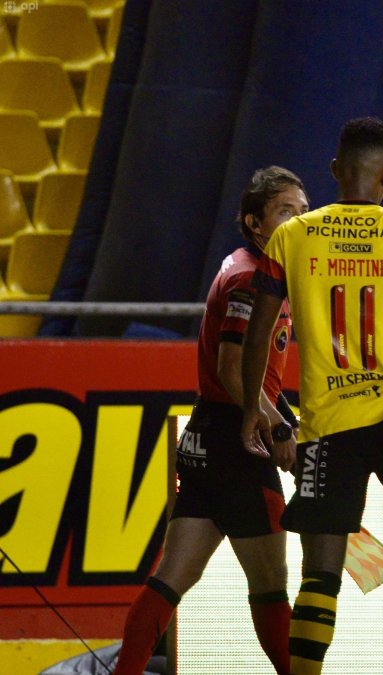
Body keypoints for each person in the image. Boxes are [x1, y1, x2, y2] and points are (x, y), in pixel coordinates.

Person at [240, 117, 383, 675]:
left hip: (328, 423)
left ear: (336, 171)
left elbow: (257, 334)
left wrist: (250, 411)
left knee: (320, 575)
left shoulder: (291, 237)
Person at [113, 167, 309, 675]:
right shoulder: (251, 278)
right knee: (270, 585)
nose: (300, 221)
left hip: (205, 439)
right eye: (287, 211)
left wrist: (285, 415)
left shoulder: (250, 267)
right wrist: (278, 427)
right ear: (255, 222)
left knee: (171, 577)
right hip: (236, 443)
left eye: (304, 212)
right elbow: (231, 370)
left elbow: (254, 377)